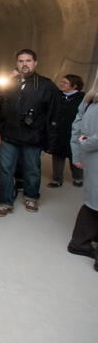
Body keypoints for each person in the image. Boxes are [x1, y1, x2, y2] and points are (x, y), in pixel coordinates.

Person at [0, 50, 58, 216]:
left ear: (35, 63)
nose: (24, 64)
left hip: (33, 137)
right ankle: (5, 201)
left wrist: (50, 141)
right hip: (8, 134)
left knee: (32, 169)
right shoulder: (8, 83)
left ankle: (31, 196)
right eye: (21, 61)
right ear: (16, 63)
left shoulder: (46, 85)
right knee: (6, 169)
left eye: (28, 61)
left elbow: (53, 114)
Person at [68, 79, 98, 272]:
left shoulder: (88, 100)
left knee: (93, 201)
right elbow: (78, 131)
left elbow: (76, 130)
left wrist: (78, 152)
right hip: (93, 155)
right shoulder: (88, 101)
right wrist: (83, 147)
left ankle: (79, 242)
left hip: (92, 158)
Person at [48, 74, 85, 187]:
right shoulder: (57, 95)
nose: (61, 84)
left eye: (65, 83)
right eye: (61, 82)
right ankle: (57, 180)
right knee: (58, 155)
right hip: (58, 131)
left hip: (75, 131)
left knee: (74, 154)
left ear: (74, 86)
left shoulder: (83, 98)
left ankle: (78, 178)